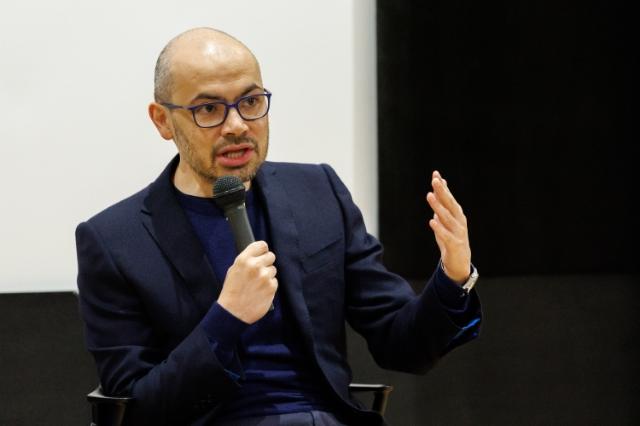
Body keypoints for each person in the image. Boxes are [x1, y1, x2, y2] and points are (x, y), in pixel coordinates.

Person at [76, 27, 481, 426]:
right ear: (163, 120)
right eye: (209, 109)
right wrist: (226, 317)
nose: (237, 125)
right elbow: (138, 409)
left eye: (251, 102)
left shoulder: (318, 192)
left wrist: (453, 276)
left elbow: (404, 346)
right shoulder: (114, 240)